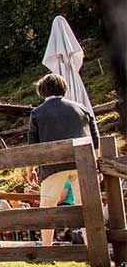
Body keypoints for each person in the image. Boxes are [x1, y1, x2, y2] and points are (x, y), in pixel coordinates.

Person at [28, 73, 100, 245]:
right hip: (82, 164)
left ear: (42, 91)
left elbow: (33, 144)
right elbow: (95, 138)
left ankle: (47, 247)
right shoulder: (81, 108)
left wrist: (30, 169)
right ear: (63, 88)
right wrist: (96, 164)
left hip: (53, 166)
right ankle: (94, 246)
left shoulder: (37, 113)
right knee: (87, 206)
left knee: (48, 207)